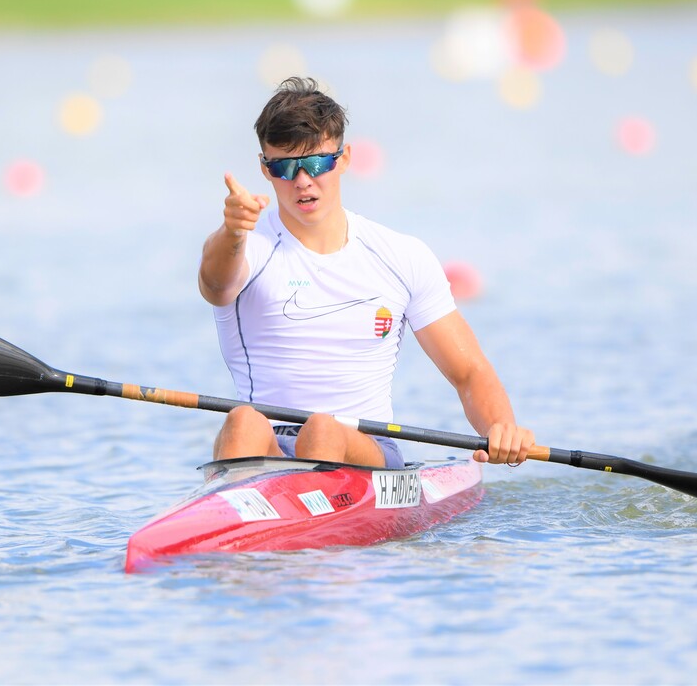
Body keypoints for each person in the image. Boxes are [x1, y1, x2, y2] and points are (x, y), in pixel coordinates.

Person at [198, 77, 533, 469]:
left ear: (344, 158)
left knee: (323, 430)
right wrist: (234, 230)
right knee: (242, 421)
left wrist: (502, 427)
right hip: (266, 445)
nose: (303, 180)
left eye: (317, 162)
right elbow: (215, 284)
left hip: (363, 448)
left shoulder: (400, 256)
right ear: (265, 169)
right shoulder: (244, 247)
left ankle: (314, 516)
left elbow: (468, 372)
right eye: (284, 167)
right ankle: (247, 519)